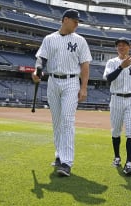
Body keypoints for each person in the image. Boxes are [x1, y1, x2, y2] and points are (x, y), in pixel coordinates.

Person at [32, 9, 92, 177]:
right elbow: (41, 58)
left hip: (71, 82)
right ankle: (59, 155)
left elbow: (85, 65)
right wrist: (38, 71)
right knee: (57, 122)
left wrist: (84, 87)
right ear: (65, 20)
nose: (77, 24)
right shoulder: (49, 39)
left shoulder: (80, 40)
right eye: (75, 21)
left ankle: (66, 162)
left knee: (67, 120)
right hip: (53, 81)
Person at [103, 37, 131, 176]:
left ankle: (129, 163)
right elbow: (108, 78)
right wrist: (121, 66)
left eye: (124, 45)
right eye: (119, 45)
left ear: (129, 47)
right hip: (116, 99)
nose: (121, 47)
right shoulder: (112, 62)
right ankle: (117, 157)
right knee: (116, 130)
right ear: (117, 48)